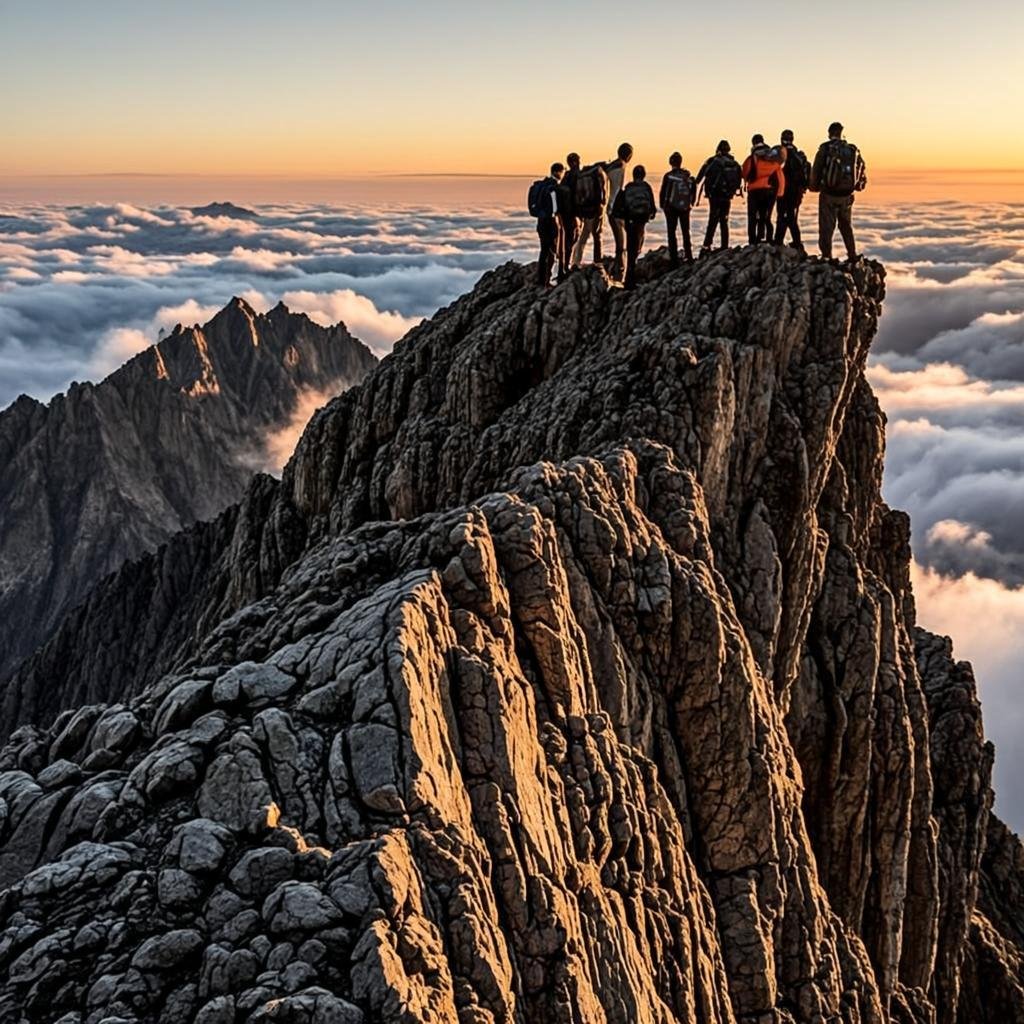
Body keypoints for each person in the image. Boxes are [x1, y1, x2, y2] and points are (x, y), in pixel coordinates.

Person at [810, 121, 867, 260]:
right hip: (847, 195)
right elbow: (861, 170)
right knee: (846, 226)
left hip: (829, 194)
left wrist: (813, 187)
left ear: (829, 133)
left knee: (826, 227)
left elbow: (816, 170)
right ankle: (852, 254)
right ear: (841, 133)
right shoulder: (851, 150)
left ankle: (826, 255)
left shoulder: (825, 149)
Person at [613, 164, 657, 289]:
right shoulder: (646, 187)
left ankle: (629, 279)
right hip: (641, 221)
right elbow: (652, 205)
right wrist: (651, 214)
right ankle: (630, 280)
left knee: (630, 247)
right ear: (644, 175)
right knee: (636, 248)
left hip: (630, 220)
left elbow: (622, 207)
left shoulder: (628, 187)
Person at [695, 140, 742, 254]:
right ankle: (724, 245)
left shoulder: (712, 161)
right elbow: (739, 180)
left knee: (713, 220)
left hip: (714, 196)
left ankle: (707, 245)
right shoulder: (734, 163)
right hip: (727, 196)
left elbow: (699, 178)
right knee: (724, 220)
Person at [741, 134, 785, 244]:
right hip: (769, 191)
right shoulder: (773, 158)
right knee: (766, 216)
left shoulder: (752, 158)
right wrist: (780, 192)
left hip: (754, 191)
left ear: (753, 143)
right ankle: (768, 239)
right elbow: (780, 176)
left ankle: (753, 241)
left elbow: (745, 173)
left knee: (752, 217)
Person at [528, 162, 564, 287]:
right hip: (550, 221)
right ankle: (546, 280)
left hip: (541, 221)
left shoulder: (542, 185)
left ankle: (541, 279)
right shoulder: (553, 187)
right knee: (552, 251)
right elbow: (554, 208)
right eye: (561, 172)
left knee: (543, 250)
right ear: (557, 172)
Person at [774, 129, 810, 252]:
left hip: (783, 191)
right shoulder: (799, 156)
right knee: (791, 217)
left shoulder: (779, 154)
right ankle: (795, 242)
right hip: (796, 193)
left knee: (783, 216)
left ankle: (779, 242)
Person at [571, 161, 609, 267]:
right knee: (597, 236)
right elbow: (603, 196)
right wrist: (602, 210)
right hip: (596, 211)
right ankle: (597, 261)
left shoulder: (583, 175)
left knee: (583, 236)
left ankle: (575, 261)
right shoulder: (600, 174)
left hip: (584, 211)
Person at [604, 142, 634, 280]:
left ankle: (619, 270)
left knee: (621, 243)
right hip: (616, 209)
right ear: (629, 155)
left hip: (611, 208)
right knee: (621, 244)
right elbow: (616, 190)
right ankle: (619, 273)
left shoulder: (610, 166)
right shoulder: (620, 166)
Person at [659, 152, 694, 265]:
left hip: (671, 208)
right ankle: (689, 257)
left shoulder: (668, 176)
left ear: (671, 162)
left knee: (671, 233)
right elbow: (692, 191)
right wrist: (690, 204)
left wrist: (663, 206)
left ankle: (674, 260)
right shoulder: (687, 175)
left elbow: (663, 192)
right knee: (686, 232)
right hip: (685, 208)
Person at [557, 152, 581, 280]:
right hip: (574, 214)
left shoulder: (566, 176)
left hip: (564, 214)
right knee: (571, 240)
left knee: (565, 241)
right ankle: (566, 267)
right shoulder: (578, 176)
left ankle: (563, 268)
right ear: (576, 162)